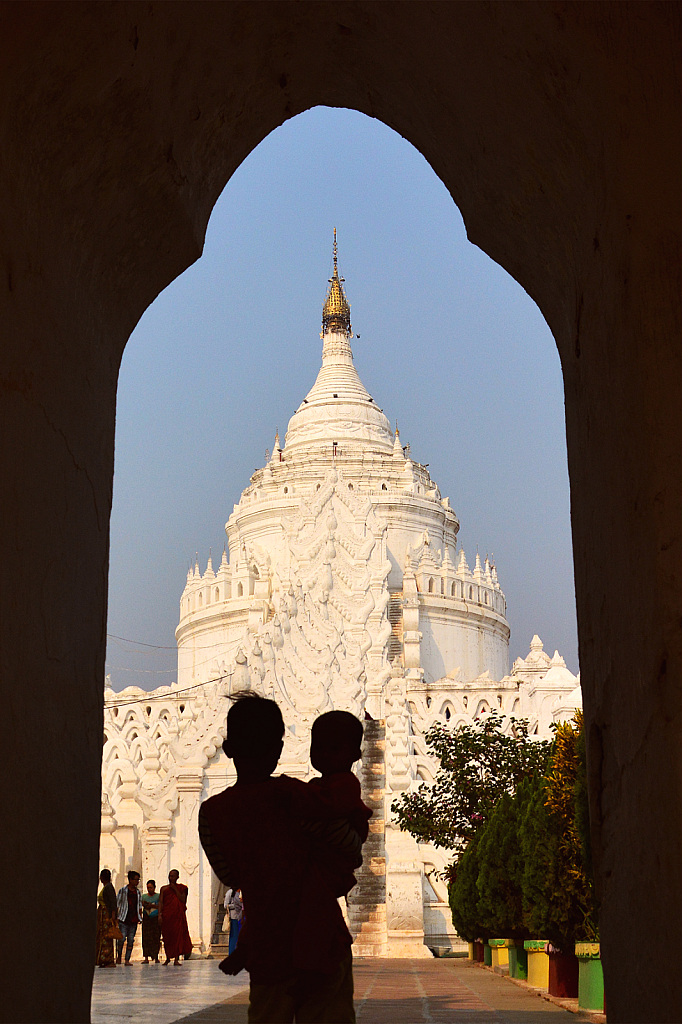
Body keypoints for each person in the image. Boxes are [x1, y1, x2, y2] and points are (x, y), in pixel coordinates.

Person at [199, 692, 363, 1024]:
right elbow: (347, 845)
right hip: (321, 941)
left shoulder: (213, 813)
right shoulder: (294, 797)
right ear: (279, 749)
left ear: (228, 749)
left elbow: (229, 875)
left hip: (266, 943)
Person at [306, 711, 372, 897]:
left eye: (334, 749)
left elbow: (329, 807)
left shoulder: (346, 783)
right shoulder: (322, 783)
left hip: (344, 841)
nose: (325, 754)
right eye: (318, 747)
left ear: (355, 755)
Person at [159, 870, 192, 965]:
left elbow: (183, 900)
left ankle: (176, 959)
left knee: (177, 937)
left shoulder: (182, 888)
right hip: (167, 916)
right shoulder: (164, 889)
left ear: (177, 877)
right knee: (167, 937)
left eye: (173, 876)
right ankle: (168, 957)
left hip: (177, 916)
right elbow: (161, 902)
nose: (171, 878)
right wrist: (160, 915)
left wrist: (175, 889)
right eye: (169, 876)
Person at [116, 871, 143, 965]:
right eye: (136, 879)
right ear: (130, 880)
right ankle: (119, 956)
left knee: (131, 939)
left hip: (133, 919)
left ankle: (127, 959)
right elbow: (118, 903)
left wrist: (140, 916)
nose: (137, 882)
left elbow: (139, 905)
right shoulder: (123, 891)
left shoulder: (138, 892)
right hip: (124, 918)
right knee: (121, 939)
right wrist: (116, 916)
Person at [96, 869, 118, 968]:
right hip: (102, 915)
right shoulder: (106, 887)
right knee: (102, 936)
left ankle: (108, 959)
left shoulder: (109, 888)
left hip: (106, 915)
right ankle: (102, 958)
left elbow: (113, 902)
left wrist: (113, 915)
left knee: (107, 937)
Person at [141, 879, 161, 964]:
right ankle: (146, 957)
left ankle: (156, 956)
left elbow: (160, 906)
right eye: (148, 887)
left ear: (154, 887)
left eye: (151, 887)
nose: (149, 889)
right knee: (146, 937)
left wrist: (152, 905)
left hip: (155, 918)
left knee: (156, 937)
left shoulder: (158, 896)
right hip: (146, 918)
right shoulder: (144, 897)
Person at [224, 887, 243, 955]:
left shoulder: (240, 892)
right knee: (234, 936)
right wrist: (235, 905)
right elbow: (225, 905)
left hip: (240, 916)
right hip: (233, 917)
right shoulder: (230, 892)